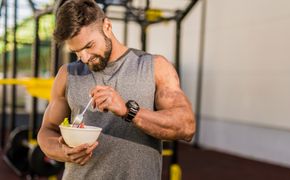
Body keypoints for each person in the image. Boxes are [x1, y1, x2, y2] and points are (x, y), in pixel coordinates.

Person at [37, 0, 195, 179]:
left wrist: (129, 112)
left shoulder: (155, 66)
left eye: (89, 46)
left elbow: (186, 126)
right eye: (77, 51)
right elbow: (47, 131)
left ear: (107, 26)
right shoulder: (67, 74)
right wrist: (63, 152)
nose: (85, 58)